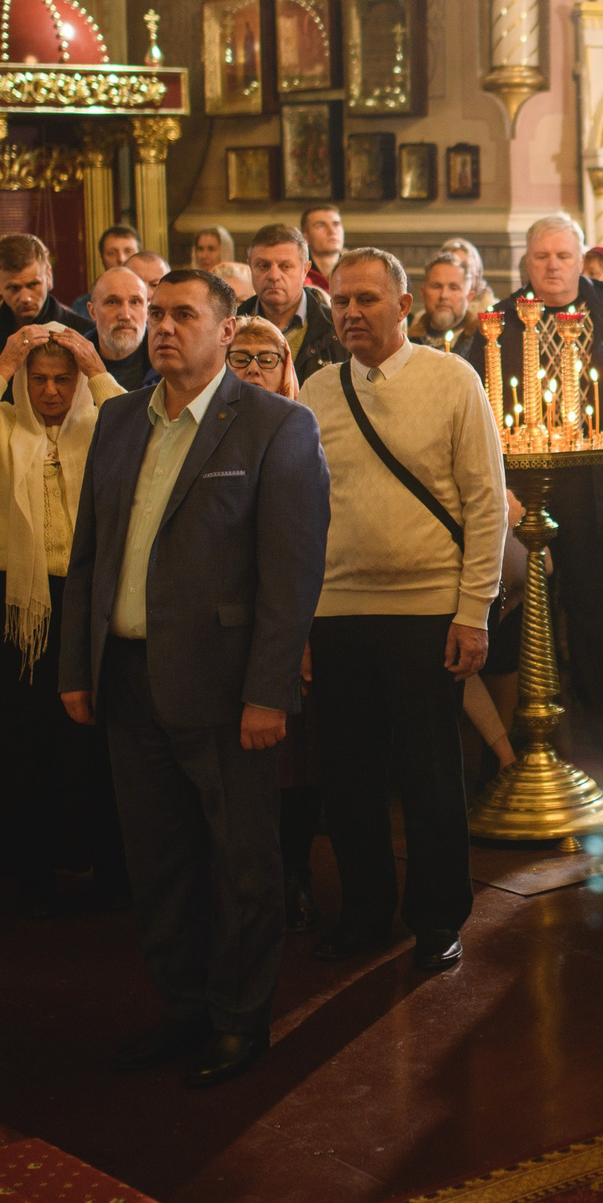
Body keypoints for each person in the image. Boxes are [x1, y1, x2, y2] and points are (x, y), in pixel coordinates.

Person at [56, 268, 329, 1088]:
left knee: (244, 862)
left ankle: (241, 1018)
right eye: (158, 314)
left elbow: (291, 575)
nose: (164, 328)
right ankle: (182, 1008)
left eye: (183, 315)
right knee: (158, 860)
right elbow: (90, 554)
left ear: (224, 328)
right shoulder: (116, 420)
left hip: (224, 682)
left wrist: (269, 690)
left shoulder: (277, 426)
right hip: (131, 676)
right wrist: (78, 663)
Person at [300, 250, 508, 971]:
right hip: (336, 610)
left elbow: (485, 503)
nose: (350, 312)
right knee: (350, 777)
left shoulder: (452, 379)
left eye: (365, 298)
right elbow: (302, 512)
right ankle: (363, 911)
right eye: (339, 302)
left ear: (403, 302)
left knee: (429, 776)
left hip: (428, 609)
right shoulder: (316, 390)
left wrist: (473, 608)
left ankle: (436, 918)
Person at [0, 320, 126, 918]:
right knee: (23, 736)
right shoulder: (2, 423)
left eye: (62, 379)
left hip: (86, 594)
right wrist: (2, 363)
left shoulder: (100, 425)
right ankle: (30, 865)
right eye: (40, 379)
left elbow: (138, 427)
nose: (51, 391)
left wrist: (95, 367)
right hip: (17, 602)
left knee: (91, 736)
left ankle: (102, 860)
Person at [466, 216, 603, 713]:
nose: (552, 266)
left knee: (599, 609)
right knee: (523, 608)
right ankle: (526, 718)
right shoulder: (499, 321)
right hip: (519, 487)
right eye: (541, 257)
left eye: (563, 256)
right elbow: (469, 407)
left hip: (600, 486)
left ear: (580, 259)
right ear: (526, 262)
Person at [221, 316, 330, 934]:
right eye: (242, 358)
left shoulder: (304, 429)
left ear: (288, 366)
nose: (255, 369)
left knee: (297, 770)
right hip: (228, 627)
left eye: (268, 358)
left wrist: (302, 634)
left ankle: (292, 880)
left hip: (298, 624)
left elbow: (312, 545)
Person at [0, 233, 98, 381]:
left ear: (48, 275)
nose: (25, 298)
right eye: (14, 288)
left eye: (33, 284)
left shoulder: (86, 334)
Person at [236, 222, 346, 382]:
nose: (274, 276)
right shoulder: (230, 327)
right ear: (250, 268)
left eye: (285, 266)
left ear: (305, 270)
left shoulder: (337, 328)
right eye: (263, 266)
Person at [88, 264, 154, 387]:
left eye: (135, 302)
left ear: (148, 310)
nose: (125, 315)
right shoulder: (71, 361)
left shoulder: (170, 364)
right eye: (112, 302)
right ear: (92, 311)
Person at [412, 256, 478, 353]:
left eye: (453, 288)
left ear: (469, 297)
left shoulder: (481, 340)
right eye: (436, 286)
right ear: (423, 292)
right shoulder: (409, 342)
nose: (444, 295)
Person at [71, 225, 142, 313]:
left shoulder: (156, 302)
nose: (121, 259)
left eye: (128, 251)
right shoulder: (82, 307)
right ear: (102, 258)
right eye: (112, 253)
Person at [301, 205, 346, 289]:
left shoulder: (356, 270)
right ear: (305, 237)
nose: (332, 231)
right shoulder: (299, 273)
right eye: (321, 225)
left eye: (336, 224)